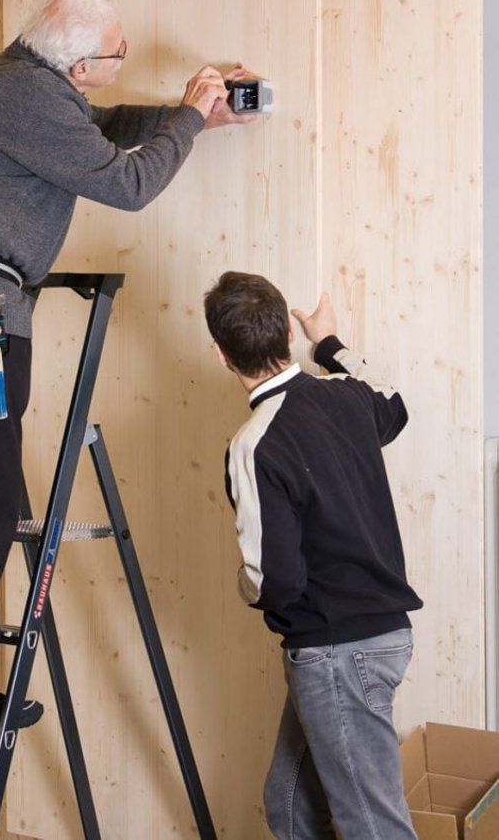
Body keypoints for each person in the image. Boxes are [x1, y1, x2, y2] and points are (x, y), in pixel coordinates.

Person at [0, 0, 258, 734]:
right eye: (117, 54)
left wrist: (193, 114)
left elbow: (101, 127)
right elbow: (130, 184)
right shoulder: (24, 96)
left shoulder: (9, 80)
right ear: (77, 66)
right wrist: (185, 119)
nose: (120, 63)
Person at [203, 271, 422, 840]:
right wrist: (328, 343)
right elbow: (393, 404)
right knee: (289, 804)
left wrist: (243, 583)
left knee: (373, 826)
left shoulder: (253, 444)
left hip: (336, 652)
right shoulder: (347, 396)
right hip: (380, 636)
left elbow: (272, 580)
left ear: (221, 354)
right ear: (285, 334)